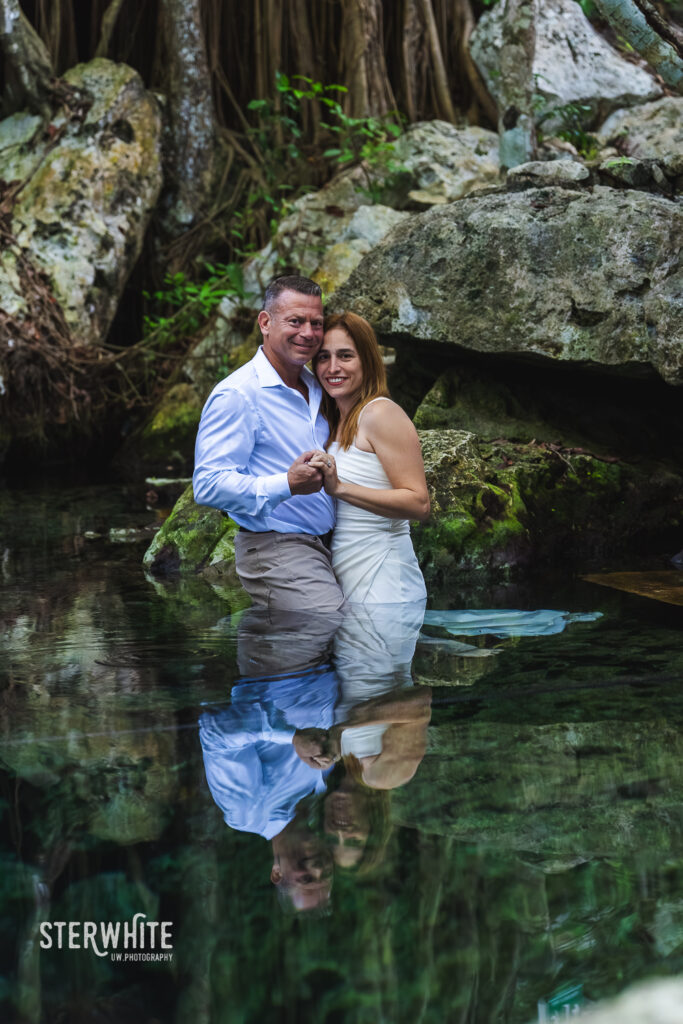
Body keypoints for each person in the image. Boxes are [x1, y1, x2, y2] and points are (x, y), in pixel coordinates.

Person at [192, 276, 344, 612]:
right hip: (276, 545)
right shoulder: (238, 394)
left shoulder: (320, 385)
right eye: (295, 321)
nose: (308, 332)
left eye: (316, 323)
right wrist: (287, 484)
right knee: (329, 622)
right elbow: (207, 485)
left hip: (334, 542)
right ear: (265, 322)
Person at [309, 311, 429, 604]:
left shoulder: (381, 414)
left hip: (384, 582)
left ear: (367, 360)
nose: (333, 367)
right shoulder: (330, 421)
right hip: (343, 578)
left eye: (345, 356)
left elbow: (419, 503)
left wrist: (340, 489)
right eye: (323, 357)